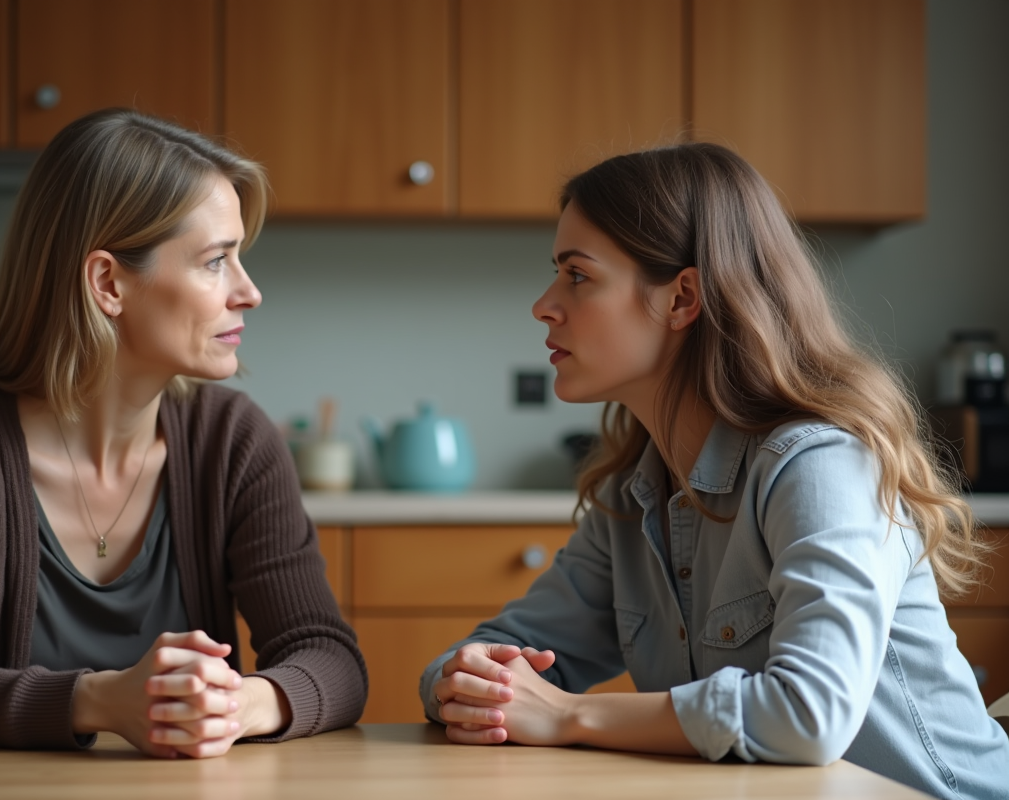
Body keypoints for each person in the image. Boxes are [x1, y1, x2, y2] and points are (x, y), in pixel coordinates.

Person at [420, 143, 1009, 798]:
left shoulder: (821, 467)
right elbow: (488, 655)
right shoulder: (633, 495)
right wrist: (465, 681)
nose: (544, 305)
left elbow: (809, 716)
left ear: (682, 299)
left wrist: (564, 714)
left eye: (577, 275)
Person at [0, 108, 366, 757]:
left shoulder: (234, 441)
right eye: (216, 261)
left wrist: (234, 705)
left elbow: (330, 659)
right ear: (108, 283)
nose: (250, 292)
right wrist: (100, 701)